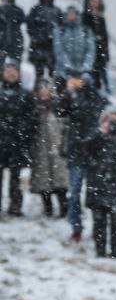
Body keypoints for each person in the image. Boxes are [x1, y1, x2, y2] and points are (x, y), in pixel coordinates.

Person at [76, 111, 116, 258]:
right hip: (98, 182)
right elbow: (85, 148)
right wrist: (99, 133)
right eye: (110, 121)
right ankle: (100, 252)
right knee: (99, 220)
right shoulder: (96, 135)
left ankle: (115, 252)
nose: (114, 125)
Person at [58, 74, 106, 242]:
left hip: (93, 151)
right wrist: (68, 92)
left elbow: (94, 110)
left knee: (95, 193)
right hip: (76, 151)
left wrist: (85, 91)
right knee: (75, 192)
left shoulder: (96, 97)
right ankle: (76, 227)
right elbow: (60, 110)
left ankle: (98, 227)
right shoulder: (72, 97)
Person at [28, 78, 68, 218]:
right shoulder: (34, 108)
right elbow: (29, 129)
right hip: (40, 150)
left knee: (60, 182)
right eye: (41, 89)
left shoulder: (59, 107)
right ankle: (48, 209)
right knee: (43, 182)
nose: (44, 91)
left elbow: (65, 128)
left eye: (47, 88)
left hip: (58, 149)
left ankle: (64, 209)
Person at [0, 59, 34, 215]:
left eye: (14, 71)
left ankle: (15, 207)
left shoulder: (25, 94)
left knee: (15, 178)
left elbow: (30, 118)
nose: (11, 74)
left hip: (17, 142)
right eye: (8, 71)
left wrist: (22, 132)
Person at [52, 5, 96, 86]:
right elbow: (58, 50)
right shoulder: (60, 30)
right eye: (69, 14)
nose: (71, 16)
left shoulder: (85, 30)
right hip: (63, 73)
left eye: (73, 14)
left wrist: (85, 67)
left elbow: (91, 50)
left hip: (82, 74)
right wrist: (68, 66)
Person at [25, 0, 59, 81]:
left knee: (53, 75)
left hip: (52, 47)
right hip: (38, 46)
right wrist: (37, 36)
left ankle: (52, 93)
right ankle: (37, 93)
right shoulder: (35, 9)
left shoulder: (57, 11)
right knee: (37, 74)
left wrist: (54, 38)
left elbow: (61, 27)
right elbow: (30, 26)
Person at [81, 0, 109, 91]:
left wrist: (106, 54)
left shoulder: (101, 18)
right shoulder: (84, 17)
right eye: (92, 1)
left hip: (100, 53)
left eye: (97, 1)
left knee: (99, 80)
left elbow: (105, 37)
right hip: (88, 51)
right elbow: (83, 34)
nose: (94, 3)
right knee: (86, 78)